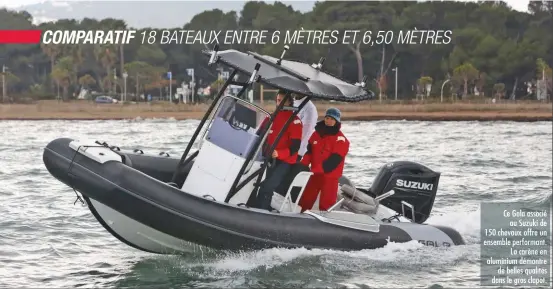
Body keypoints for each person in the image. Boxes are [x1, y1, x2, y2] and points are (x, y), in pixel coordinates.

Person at [253, 90, 303, 211]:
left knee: (267, 187)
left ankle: (262, 212)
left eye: (282, 101)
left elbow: (295, 147)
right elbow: (259, 134)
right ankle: (254, 207)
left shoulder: (295, 121)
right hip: (267, 158)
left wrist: (279, 153)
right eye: (278, 100)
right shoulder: (271, 116)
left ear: (289, 102)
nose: (279, 103)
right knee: (255, 183)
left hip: (284, 161)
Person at [298, 107, 350, 212]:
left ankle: (325, 222)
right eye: (327, 118)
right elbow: (309, 152)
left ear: (337, 121)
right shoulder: (316, 134)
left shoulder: (342, 140)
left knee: (326, 205)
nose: (329, 121)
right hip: (314, 175)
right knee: (305, 200)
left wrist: (315, 170)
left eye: (332, 119)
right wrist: (301, 165)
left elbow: (333, 162)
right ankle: (300, 215)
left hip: (330, 177)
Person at [293, 93, 318, 162]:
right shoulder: (291, 102)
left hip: (298, 150)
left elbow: (306, 131)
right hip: (284, 149)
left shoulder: (310, 108)